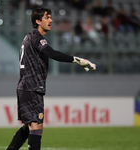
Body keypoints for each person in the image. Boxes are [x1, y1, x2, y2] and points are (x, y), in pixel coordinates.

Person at [6, 8, 96, 150]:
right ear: (37, 21)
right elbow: (51, 52)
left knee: (27, 126)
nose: (51, 20)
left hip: (26, 86)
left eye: (50, 17)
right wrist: (76, 59)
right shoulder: (36, 37)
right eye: (47, 17)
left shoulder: (28, 37)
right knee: (37, 126)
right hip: (32, 87)